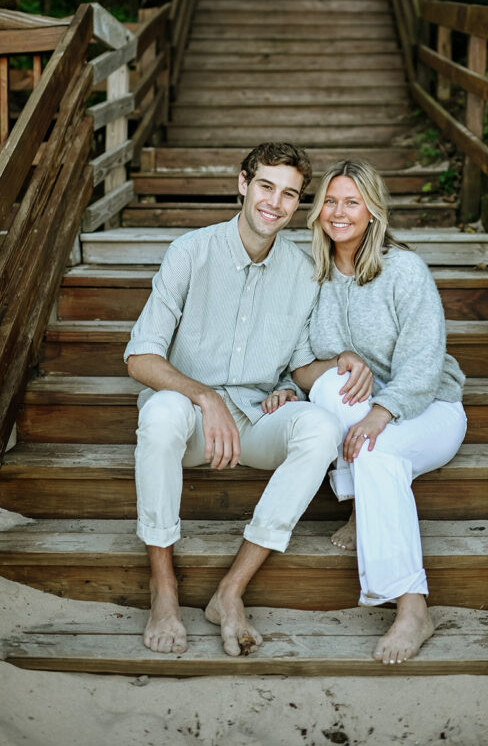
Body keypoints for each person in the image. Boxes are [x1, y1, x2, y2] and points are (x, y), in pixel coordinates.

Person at [124, 143, 372, 658]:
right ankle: (163, 588)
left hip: (258, 418)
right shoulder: (190, 253)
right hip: (192, 419)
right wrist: (204, 397)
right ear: (242, 183)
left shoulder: (304, 271)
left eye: (289, 194)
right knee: (162, 412)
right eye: (265, 186)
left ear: (298, 203)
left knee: (322, 428)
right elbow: (140, 358)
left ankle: (230, 590)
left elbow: (302, 364)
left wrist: (336, 364)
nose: (274, 203)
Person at [294, 159, 467, 665]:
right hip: (367, 413)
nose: (339, 212)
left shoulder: (403, 271)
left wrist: (384, 410)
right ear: (317, 210)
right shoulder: (312, 277)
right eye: (330, 200)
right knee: (333, 386)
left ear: (372, 210)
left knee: (374, 448)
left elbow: (424, 361)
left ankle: (412, 610)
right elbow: (302, 365)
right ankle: (359, 507)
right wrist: (332, 367)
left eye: (352, 201)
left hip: (431, 409)